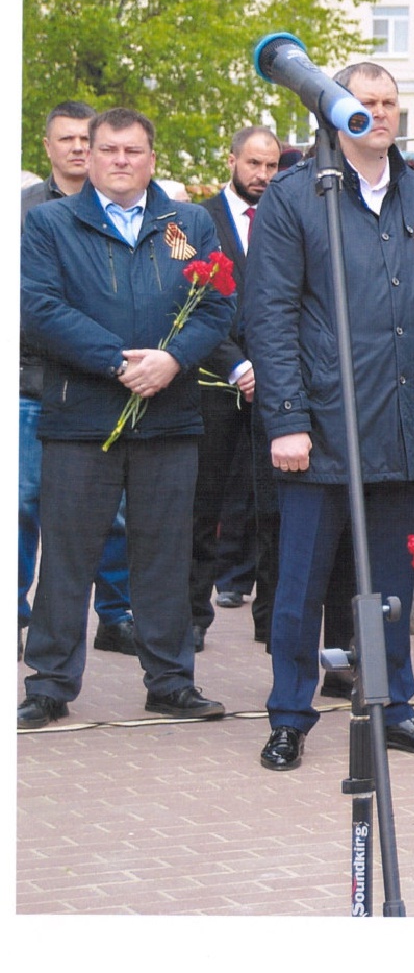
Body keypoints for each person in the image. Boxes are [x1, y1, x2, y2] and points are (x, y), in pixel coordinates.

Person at [247, 60, 414, 771]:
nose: (379, 113)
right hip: (318, 429)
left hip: (403, 424)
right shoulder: (296, 195)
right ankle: (290, 712)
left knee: (388, 587)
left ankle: (391, 705)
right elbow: (271, 315)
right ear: (335, 108)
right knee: (303, 585)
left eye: (389, 102)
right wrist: (285, 419)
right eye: (365, 101)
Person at [19, 108, 232, 728]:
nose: (119, 160)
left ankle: (170, 681)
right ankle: (51, 684)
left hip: (169, 418)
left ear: (151, 159)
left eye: (132, 151)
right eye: (108, 149)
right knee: (68, 555)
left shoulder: (187, 224)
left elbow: (217, 306)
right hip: (81, 419)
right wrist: (119, 364)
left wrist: (171, 360)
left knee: (165, 553)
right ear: (89, 153)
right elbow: (38, 307)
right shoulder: (51, 223)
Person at [20, 100, 134, 656]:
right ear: (47, 146)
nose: (76, 148)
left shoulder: (120, 212)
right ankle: (16, 617)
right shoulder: (24, 212)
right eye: (65, 139)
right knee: (22, 504)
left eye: (84, 139)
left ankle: (117, 616)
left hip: (102, 384)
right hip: (31, 383)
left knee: (111, 512)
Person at [188, 126, 282, 648]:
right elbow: (189, 302)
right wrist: (237, 365)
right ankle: (192, 618)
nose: (262, 176)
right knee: (205, 507)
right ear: (232, 161)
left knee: (272, 510)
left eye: (270, 166)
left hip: (274, 385)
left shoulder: (286, 217)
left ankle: (271, 621)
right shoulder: (197, 219)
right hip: (213, 384)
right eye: (253, 164)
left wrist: (269, 369)